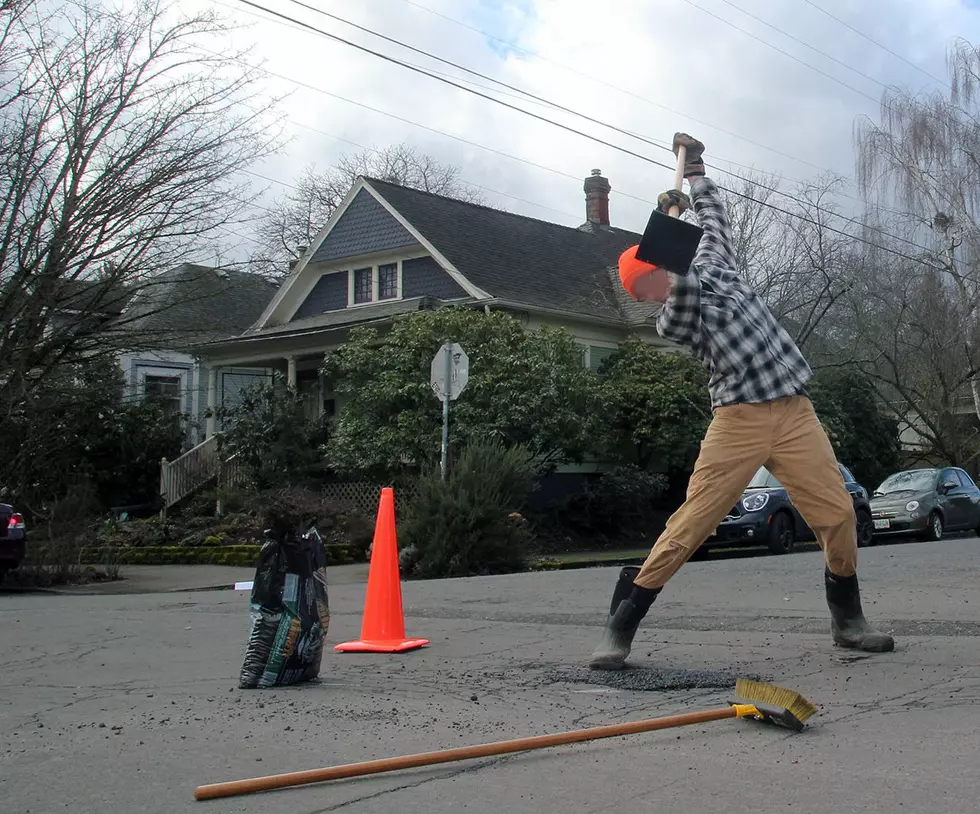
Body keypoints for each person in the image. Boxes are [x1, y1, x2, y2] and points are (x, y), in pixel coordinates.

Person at [589, 133, 894, 671]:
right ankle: (623, 622)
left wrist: (697, 174)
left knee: (839, 512)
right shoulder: (674, 317)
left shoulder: (718, 265)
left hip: (795, 412)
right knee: (694, 522)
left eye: (650, 283)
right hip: (739, 421)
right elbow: (683, 285)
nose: (652, 294)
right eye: (645, 291)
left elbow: (716, 220)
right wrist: (670, 227)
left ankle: (847, 618)